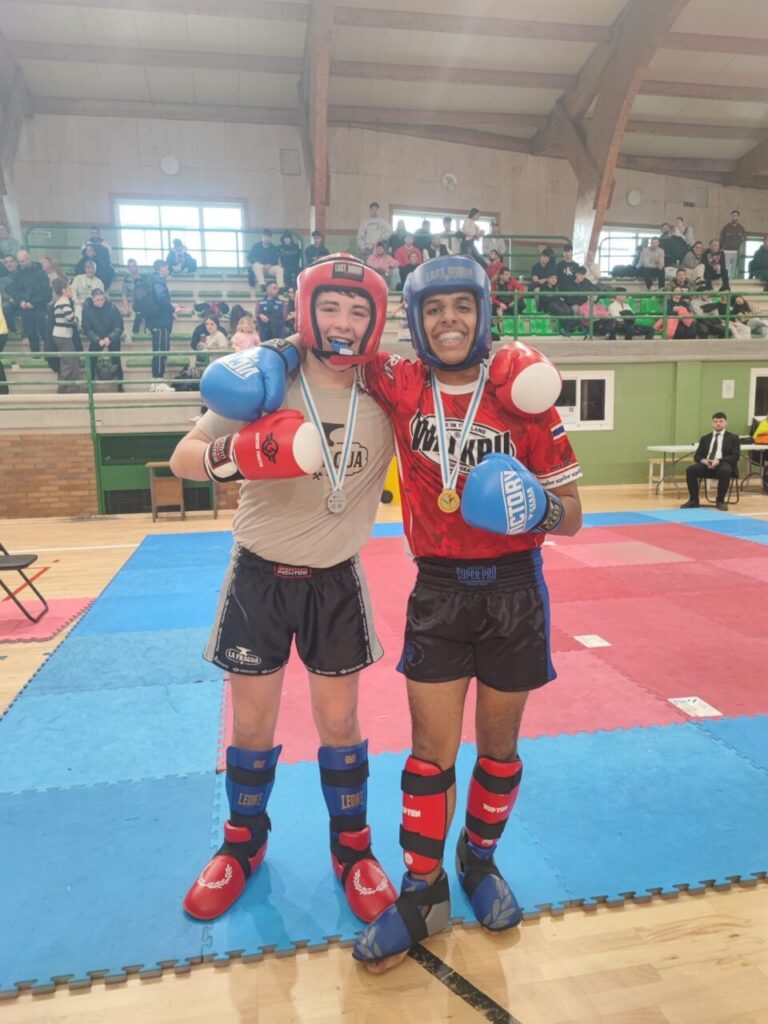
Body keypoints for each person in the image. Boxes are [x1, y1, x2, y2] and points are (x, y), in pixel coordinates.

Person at [349, 257, 582, 971]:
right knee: (430, 756)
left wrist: (538, 506)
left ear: (483, 313)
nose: (448, 319)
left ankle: (479, 863)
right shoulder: (400, 382)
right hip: (439, 590)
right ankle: (423, 891)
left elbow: (574, 515)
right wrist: (270, 349)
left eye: (462, 305)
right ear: (417, 322)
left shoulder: (527, 393)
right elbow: (330, 351)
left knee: (500, 748)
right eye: (434, 309)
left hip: (515, 589)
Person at [169, 253, 397, 927]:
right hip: (259, 575)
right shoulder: (267, 375)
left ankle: (353, 850)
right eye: (331, 306)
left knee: (340, 724)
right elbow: (184, 456)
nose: (344, 322)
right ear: (306, 309)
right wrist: (236, 455)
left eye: (359, 311)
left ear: (376, 320)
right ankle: (242, 846)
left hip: (335, 577)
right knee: (251, 725)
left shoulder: (385, 392)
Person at [681, 412, 740, 511]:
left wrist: (719, 460)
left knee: (725, 470)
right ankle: (693, 500)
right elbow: (697, 456)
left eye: (721, 421)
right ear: (712, 423)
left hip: (723, 464)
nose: (718, 423)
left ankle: (720, 501)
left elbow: (735, 456)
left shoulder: (733, 438)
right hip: (707, 465)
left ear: (726, 423)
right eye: (715, 421)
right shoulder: (705, 438)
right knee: (691, 470)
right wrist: (703, 460)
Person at [82, 288, 124, 390]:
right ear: (93, 299)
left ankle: (120, 385)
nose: (100, 302)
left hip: (111, 338)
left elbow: (119, 326)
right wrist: (97, 339)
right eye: (98, 300)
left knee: (116, 361)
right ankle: (90, 386)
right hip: (97, 338)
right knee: (91, 361)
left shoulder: (112, 307)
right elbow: (87, 328)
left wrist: (110, 338)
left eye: (102, 299)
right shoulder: (87, 309)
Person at [143, 258, 176, 381]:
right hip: (160, 321)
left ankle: (157, 380)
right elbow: (161, 298)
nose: (168, 271)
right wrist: (171, 308)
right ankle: (157, 380)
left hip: (155, 320)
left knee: (159, 350)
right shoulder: (158, 280)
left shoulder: (151, 280)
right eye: (167, 268)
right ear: (161, 268)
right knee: (161, 350)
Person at [50, 277, 82, 392]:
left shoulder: (60, 301)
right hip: (63, 335)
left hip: (61, 335)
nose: (71, 291)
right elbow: (70, 317)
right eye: (69, 288)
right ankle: (67, 389)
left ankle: (67, 388)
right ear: (64, 290)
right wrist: (77, 318)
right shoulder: (64, 301)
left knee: (67, 362)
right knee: (70, 363)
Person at [719, 211, 746, 281]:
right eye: (732, 216)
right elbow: (721, 239)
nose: (734, 217)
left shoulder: (741, 228)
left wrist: (741, 251)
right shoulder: (726, 228)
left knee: (734, 268)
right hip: (726, 251)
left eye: (735, 216)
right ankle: (725, 281)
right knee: (726, 267)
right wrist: (721, 249)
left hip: (736, 251)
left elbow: (743, 241)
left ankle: (732, 281)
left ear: (738, 217)